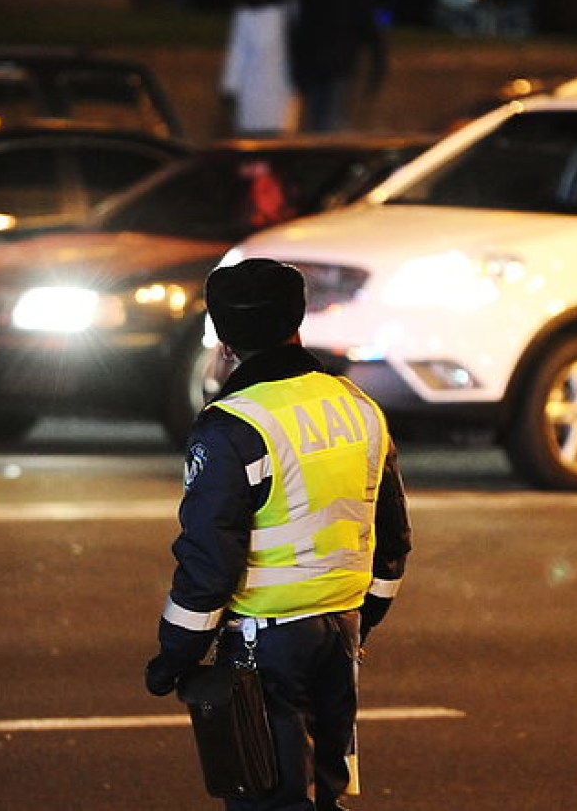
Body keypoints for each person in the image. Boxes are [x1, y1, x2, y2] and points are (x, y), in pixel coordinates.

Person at [146, 258, 412, 811]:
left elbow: (208, 564)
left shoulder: (233, 426)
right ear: (297, 324)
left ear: (222, 338)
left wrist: (174, 656)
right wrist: (365, 620)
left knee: (270, 798)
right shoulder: (358, 407)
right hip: (341, 633)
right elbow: (393, 543)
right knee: (325, 796)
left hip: (263, 646)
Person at [290, 0, 386, 133]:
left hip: (339, 65)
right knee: (318, 121)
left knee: (332, 120)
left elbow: (366, 27)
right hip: (319, 66)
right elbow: (302, 32)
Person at [221, 0, 297, 136]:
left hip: (279, 82)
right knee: (251, 135)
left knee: (277, 135)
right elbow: (238, 50)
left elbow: (293, 46)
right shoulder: (245, 13)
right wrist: (231, 84)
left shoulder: (284, 11)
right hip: (251, 84)